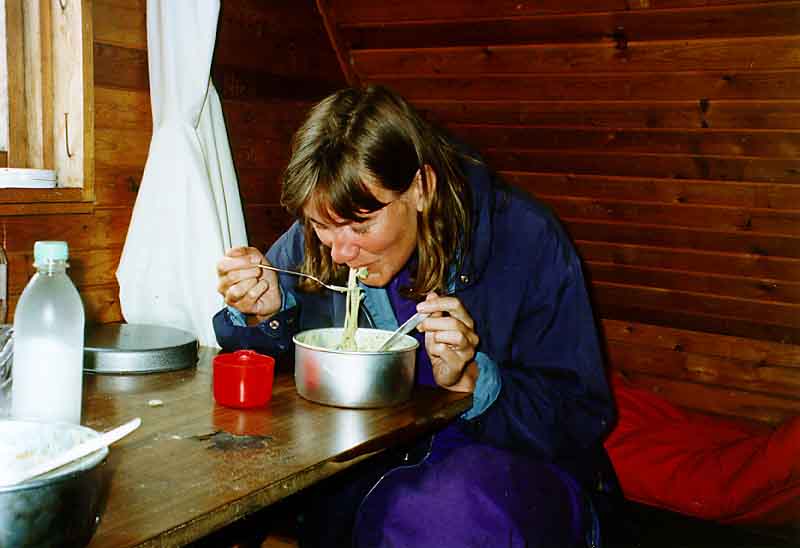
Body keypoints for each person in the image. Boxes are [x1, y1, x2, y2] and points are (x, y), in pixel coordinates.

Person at [214, 85, 623, 547]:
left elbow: (581, 416)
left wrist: (474, 382)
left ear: (421, 188)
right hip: (378, 469)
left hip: (512, 473)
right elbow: (266, 372)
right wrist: (263, 315)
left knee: (439, 514)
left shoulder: (526, 239)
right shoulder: (324, 233)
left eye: (361, 226)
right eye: (322, 225)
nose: (341, 252)